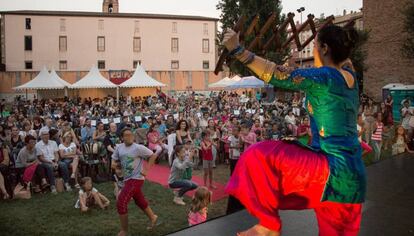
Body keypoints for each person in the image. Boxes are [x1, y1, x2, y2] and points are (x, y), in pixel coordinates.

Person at [223, 25, 365, 235]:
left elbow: (275, 74)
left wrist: (237, 50)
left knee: (257, 156)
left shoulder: (324, 77)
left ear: (324, 49)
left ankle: (269, 226)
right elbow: (345, 61)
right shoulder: (350, 77)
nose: (314, 50)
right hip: (353, 177)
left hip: (326, 171)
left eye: (316, 45)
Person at [111, 128, 160, 236]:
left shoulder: (138, 148)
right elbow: (114, 158)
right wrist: (114, 164)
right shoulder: (119, 148)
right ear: (122, 137)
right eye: (126, 135)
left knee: (121, 202)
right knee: (139, 200)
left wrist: (146, 169)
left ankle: (124, 230)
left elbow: (153, 155)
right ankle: (153, 217)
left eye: (131, 135)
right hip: (127, 179)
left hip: (136, 179)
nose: (129, 137)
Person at [36, 127, 70, 193]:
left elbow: (56, 153)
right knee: (49, 167)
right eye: (44, 135)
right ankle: (52, 186)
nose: (46, 136)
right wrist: (51, 162)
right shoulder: (38, 145)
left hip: (54, 160)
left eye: (47, 134)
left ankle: (66, 183)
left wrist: (56, 161)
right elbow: (41, 158)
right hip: (45, 161)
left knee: (63, 164)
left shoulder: (53, 142)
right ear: (41, 136)